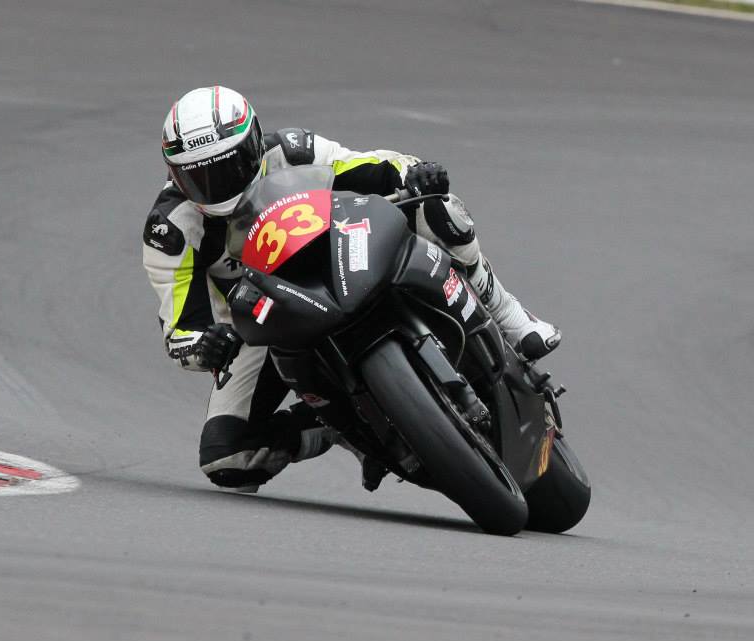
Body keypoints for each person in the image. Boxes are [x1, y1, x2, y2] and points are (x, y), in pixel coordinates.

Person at [142, 86, 560, 492]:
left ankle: (509, 315)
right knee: (226, 456)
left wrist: (414, 173)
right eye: (197, 177)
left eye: (226, 169)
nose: (216, 186)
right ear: (174, 174)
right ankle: (335, 426)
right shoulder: (170, 229)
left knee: (436, 204)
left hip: (341, 251)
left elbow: (372, 165)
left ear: (252, 145)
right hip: (262, 321)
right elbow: (180, 329)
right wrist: (205, 346)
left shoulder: (291, 150)